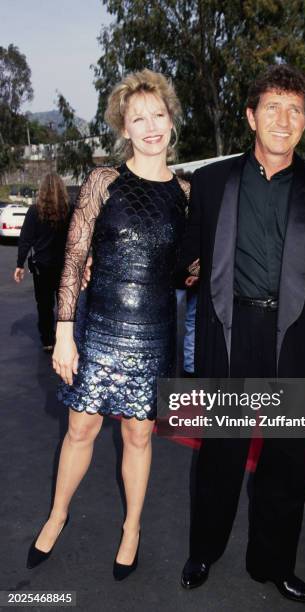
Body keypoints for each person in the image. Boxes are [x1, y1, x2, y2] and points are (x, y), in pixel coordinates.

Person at [179, 64, 305, 603]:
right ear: (251, 116)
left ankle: (275, 564)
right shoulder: (211, 182)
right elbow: (184, 257)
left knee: (286, 458)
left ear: (304, 123)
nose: (284, 120)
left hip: (294, 337)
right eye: (273, 108)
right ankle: (204, 550)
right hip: (229, 332)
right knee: (221, 453)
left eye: (294, 110)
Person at [26, 69, 190, 580]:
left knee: (139, 436)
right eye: (137, 118)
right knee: (81, 428)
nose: (150, 127)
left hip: (155, 329)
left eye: (157, 115)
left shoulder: (189, 193)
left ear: (171, 120)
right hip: (98, 326)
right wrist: (64, 332)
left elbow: (192, 267)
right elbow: (74, 259)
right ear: (124, 127)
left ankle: (132, 528)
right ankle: (57, 514)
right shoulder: (103, 182)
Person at [14, 173, 71, 352]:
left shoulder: (34, 211)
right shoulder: (70, 209)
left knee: (45, 305)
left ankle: (47, 340)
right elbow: (79, 237)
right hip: (65, 265)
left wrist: (19, 264)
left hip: (42, 267)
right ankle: (64, 338)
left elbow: (25, 239)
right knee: (65, 304)